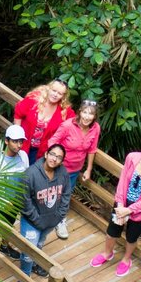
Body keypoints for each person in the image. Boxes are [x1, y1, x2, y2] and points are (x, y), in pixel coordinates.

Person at [90, 132, 141, 277]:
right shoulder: (132, 158)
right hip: (121, 203)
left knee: (132, 237)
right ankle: (107, 253)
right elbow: (122, 182)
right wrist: (120, 205)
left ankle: (126, 259)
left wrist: (129, 210)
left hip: (139, 210)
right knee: (112, 231)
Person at [15, 143, 68, 282]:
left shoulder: (62, 172)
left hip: (51, 220)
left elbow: (66, 194)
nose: (54, 159)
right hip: (32, 221)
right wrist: (37, 219)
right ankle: (24, 275)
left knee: (39, 245)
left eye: (59, 157)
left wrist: (60, 215)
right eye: (52, 154)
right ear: (46, 154)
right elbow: (24, 200)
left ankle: (36, 264)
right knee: (28, 250)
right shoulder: (30, 174)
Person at [47, 99, 101, 240]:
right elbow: (52, 141)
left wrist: (88, 169)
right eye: (84, 112)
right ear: (79, 112)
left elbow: (92, 149)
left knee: (66, 194)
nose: (87, 116)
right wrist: (55, 158)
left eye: (91, 114)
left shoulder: (95, 128)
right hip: (59, 166)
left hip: (75, 168)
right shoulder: (67, 126)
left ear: (94, 116)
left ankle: (60, 220)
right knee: (51, 191)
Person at [0, 124, 30, 273]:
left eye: (20, 142)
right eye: (15, 141)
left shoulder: (23, 156)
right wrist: (2, 202)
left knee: (9, 226)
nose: (18, 145)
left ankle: (4, 246)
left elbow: (25, 177)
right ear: (6, 141)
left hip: (16, 202)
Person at [13, 80, 74, 164]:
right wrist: (16, 136)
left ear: (63, 96)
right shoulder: (33, 99)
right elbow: (18, 113)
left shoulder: (64, 111)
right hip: (22, 143)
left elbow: (75, 123)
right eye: (54, 90)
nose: (55, 95)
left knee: (30, 174)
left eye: (59, 93)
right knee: (13, 168)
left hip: (40, 151)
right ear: (48, 88)